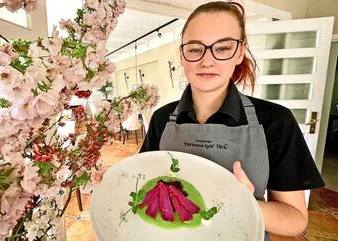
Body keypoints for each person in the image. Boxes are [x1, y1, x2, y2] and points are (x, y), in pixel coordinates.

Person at [139, 1, 324, 240]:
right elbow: (144, 183)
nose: (207, 61)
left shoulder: (276, 121)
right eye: (195, 49)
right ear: (182, 55)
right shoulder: (161, 118)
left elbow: (295, 221)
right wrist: (115, 181)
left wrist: (244, 202)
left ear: (239, 52)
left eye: (223, 48)